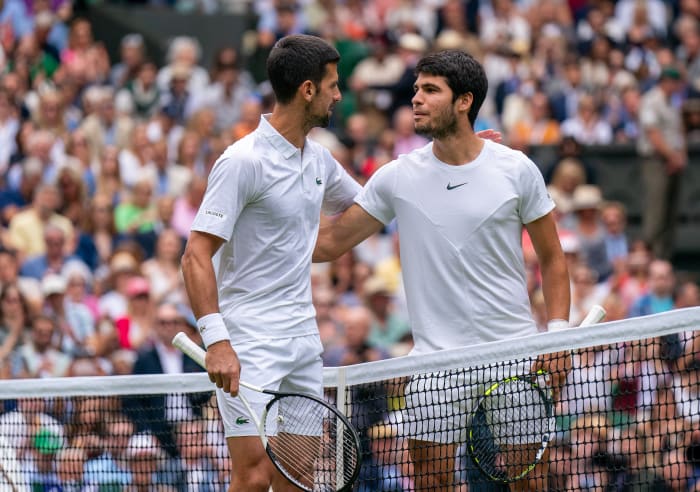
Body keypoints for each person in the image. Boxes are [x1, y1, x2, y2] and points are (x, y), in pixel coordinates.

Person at [313, 49, 570, 491]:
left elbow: (552, 257)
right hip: (435, 362)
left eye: (430, 90)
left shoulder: (516, 169)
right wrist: (284, 193)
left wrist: (562, 334)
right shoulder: (397, 176)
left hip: (515, 355)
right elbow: (330, 244)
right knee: (432, 484)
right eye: (416, 89)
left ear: (464, 101)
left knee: (532, 484)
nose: (415, 98)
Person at [180, 34, 362, 492]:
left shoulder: (319, 159)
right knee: (255, 474)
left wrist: (451, 158)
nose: (338, 95)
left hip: (303, 338)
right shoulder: (242, 161)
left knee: (296, 476)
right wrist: (218, 342)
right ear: (307, 90)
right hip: (249, 341)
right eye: (332, 86)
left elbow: (373, 204)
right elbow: (195, 255)